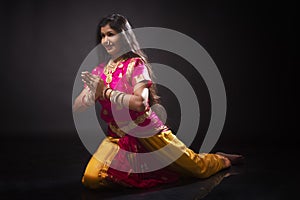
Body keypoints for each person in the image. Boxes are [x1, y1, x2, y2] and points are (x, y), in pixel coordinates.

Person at [72, 13, 244, 189]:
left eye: (111, 34)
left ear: (123, 36)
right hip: (117, 137)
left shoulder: (136, 65)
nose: (106, 40)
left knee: (197, 169)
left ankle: (220, 159)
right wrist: (92, 94)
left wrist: (106, 92)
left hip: (148, 133)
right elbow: (77, 107)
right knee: (91, 179)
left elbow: (140, 103)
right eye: (102, 36)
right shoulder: (99, 70)